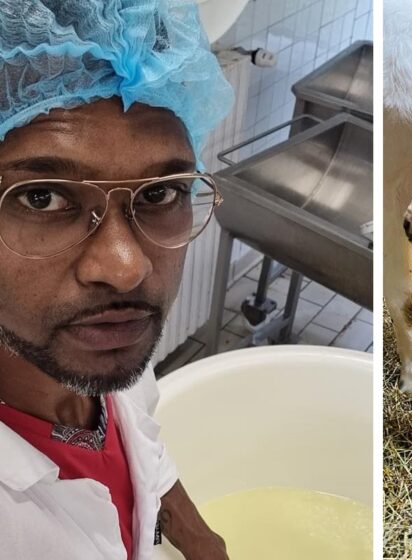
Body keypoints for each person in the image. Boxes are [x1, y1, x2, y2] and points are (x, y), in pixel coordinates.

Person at [0, 0, 233, 558]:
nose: (127, 269)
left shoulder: (105, 346)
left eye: (160, 193)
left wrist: (203, 543)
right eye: (42, 197)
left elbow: (142, 448)